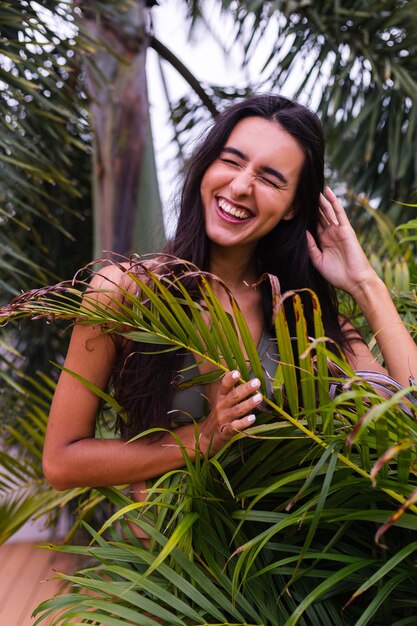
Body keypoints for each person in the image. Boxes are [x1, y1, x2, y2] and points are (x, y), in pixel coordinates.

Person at [41, 94, 417, 498]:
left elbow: (407, 419)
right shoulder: (126, 292)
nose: (240, 187)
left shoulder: (306, 319)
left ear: (293, 207)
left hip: (291, 557)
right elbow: (62, 460)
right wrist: (202, 437)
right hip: (169, 559)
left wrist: (366, 285)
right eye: (231, 161)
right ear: (206, 166)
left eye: (271, 180)